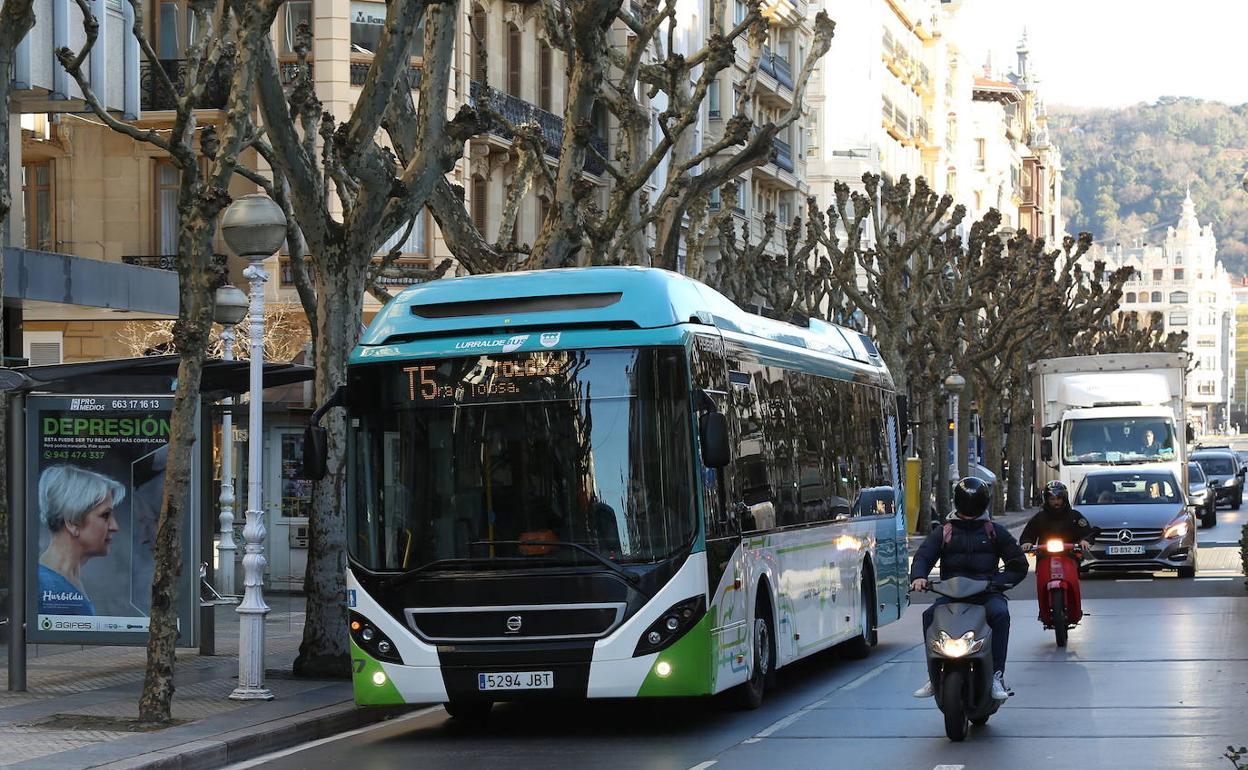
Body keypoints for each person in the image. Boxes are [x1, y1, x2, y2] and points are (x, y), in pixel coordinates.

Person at [910, 477, 1028, 700]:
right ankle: (933, 676)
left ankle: (997, 675)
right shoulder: (944, 531)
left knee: (1000, 615)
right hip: (951, 595)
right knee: (929, 616)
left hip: (987, 594)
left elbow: (1018, 564)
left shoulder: (994, 531)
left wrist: (999, 582)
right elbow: (924, 555)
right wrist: (918, 577)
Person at [36, 464, 126, 616]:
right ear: (72, 521)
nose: (114, 526)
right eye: (105, 515)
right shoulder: (45, 586)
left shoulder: (60, 579)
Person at [1019, 481, 1098, 553]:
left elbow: (1087, 532)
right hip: (1045, 555)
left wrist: (1085, 540)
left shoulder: (1075, 516)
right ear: (1047, 500)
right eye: (1052, 499)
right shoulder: (1040, 517)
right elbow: (1028, 533)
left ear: (1064, 499)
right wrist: (1027, 542)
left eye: (1059, 499)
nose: (1056, 502)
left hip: (1070, 554)